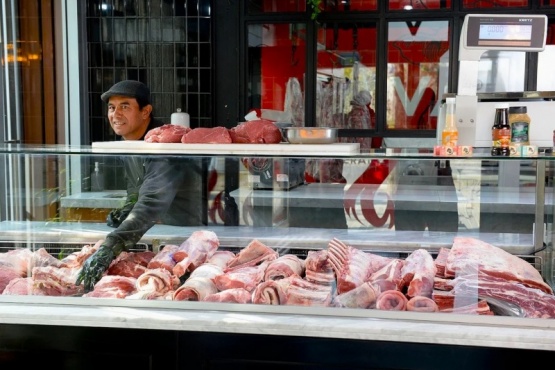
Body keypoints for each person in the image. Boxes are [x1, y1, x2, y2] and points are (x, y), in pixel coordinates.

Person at [76, 80, 205, 291]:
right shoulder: (133, 143)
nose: (116, 114)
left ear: (146, 112)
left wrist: (109, 248)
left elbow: (151, 201)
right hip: (164, 235)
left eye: (125, 106)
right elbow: (136, 190)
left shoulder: (163, 148)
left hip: (191, 241)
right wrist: (127, 209)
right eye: (111, 107)